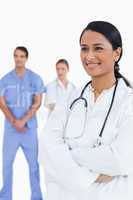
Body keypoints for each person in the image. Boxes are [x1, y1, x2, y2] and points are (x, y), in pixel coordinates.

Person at [40, 21, 133, 200]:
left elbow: (122, 159)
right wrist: (95, 175)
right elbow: (47, 147)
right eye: (84, 49)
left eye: (98, 48)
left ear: (117, 53)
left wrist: (69, 153)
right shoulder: (70, 97)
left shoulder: (128, 101)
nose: (89, 56)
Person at [0, 46, 44, 200]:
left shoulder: (35, 78)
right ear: (13, 57)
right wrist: (13, 121)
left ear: (26, 58)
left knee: (33, 166)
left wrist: (23, 120)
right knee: (6, 166)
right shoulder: (5, 80)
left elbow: (37, 102)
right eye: (16, 56)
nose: (18, 59)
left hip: (29, 130)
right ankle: (5, 197)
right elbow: (2, 103)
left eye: (22, 56)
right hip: (11, 130)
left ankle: (37, 197)